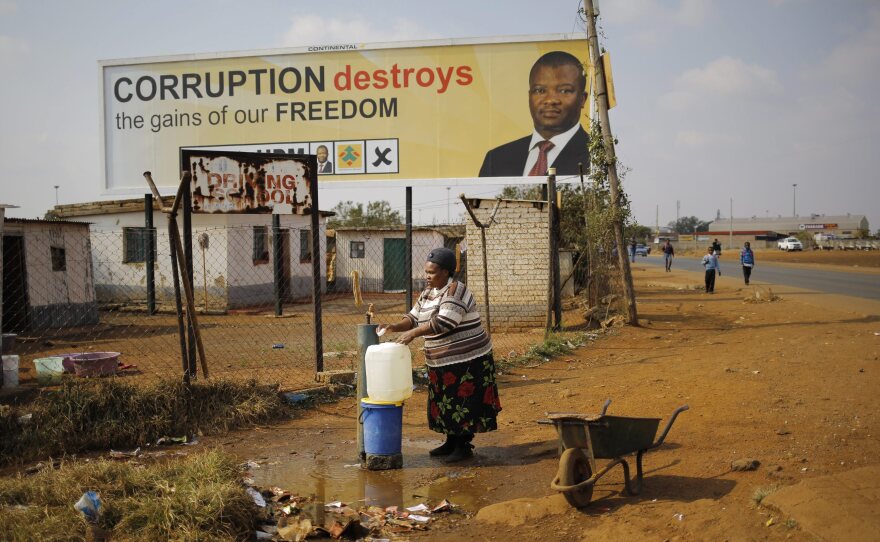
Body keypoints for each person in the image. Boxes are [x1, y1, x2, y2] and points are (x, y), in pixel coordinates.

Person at [378, 247, 500, 463]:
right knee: (445, 402)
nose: (426, 276)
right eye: (426, 271)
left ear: (446, 272)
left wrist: (413, 334)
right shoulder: (428, 293)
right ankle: (451, 442)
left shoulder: (456, 291)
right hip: (441, 361)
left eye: (431, 272)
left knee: (463, 402)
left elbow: (445, 322)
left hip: (468, 360)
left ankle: (463, 446)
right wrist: (395, 326)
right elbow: (414, 317)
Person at [479, 51, 589, 177]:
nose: (551, 100)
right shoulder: (496, 159)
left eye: (564, 90)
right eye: (540, 90)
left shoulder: (597, 157)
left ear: (582, 99)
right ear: (529, 96)